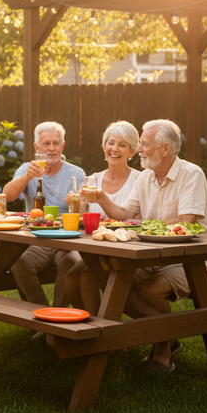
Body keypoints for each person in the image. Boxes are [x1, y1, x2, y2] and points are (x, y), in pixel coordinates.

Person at [86, 119, 207, 373]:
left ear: (165, 149)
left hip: (191, 260)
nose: (140, 150)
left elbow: (186, 220)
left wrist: (139, 227)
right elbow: (125, 213)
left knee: (151, 288)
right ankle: (166, 334)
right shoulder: (145, 177)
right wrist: (101, 198)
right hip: (152, 258)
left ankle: (163, 349)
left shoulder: (191, 174)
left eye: (145, 144)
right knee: (110, 276)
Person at [2, 121, 85, 310]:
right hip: (36, 239)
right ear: (36, 147)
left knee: (72, 263)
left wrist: (77, 202)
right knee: (18, 263)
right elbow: (7, 196)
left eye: (56, 143)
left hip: (66, 239)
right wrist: (27, 178)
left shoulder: (76, 173)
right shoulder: (26, 169)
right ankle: (41, 311)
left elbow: (83, 210)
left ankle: (59, 313)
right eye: (46, 143)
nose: (51, 148)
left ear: (62, 146)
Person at [64, 121, 141, 315]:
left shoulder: (140, 180)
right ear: (104, 147)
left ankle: (100, 332)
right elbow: (81, 218)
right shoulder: (93, 180)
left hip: (125, 250)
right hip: (97, 248)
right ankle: (88, 326)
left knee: (87, 276)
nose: (114, 149)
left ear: (132, 152)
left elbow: (136, 220)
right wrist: (74, 204)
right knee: (71, 278)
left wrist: (104, 202)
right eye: (111, 143)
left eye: (122, 145)